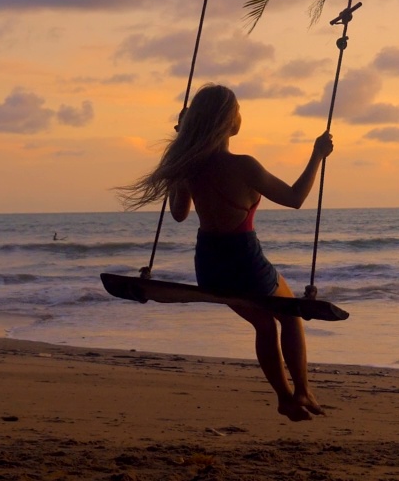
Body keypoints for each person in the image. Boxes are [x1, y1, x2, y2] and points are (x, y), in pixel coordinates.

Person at [118, 84, 333, 421]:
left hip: (209, 266)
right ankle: (302, 391)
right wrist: (317, 155)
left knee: (264, 325)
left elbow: (178, 213)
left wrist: (179, 158)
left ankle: (285, 398)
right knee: (289, 314)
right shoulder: (244, 166)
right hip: (244, 261)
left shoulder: (189, 167)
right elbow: (295, 198)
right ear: (230, 123)